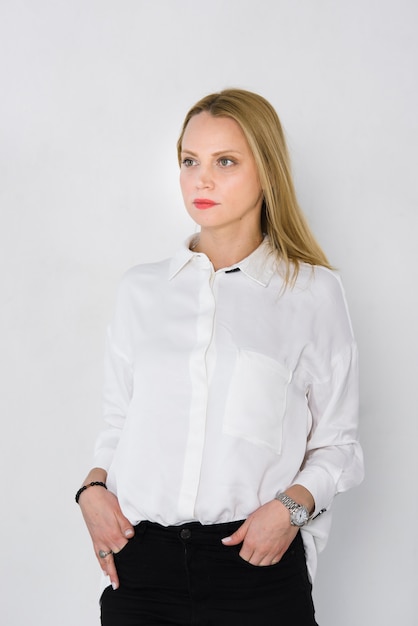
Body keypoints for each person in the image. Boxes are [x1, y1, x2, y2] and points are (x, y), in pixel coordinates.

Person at [77, 88, 364, 625]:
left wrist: (291, 508)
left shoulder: (312, 294)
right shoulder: (141, 290)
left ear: (267, 173)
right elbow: (119, 422)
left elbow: (338, 446)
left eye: (225, 162)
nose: (201, 180)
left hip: (255, 566)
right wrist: (91, 491)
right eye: (190, 161)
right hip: (140, 569)